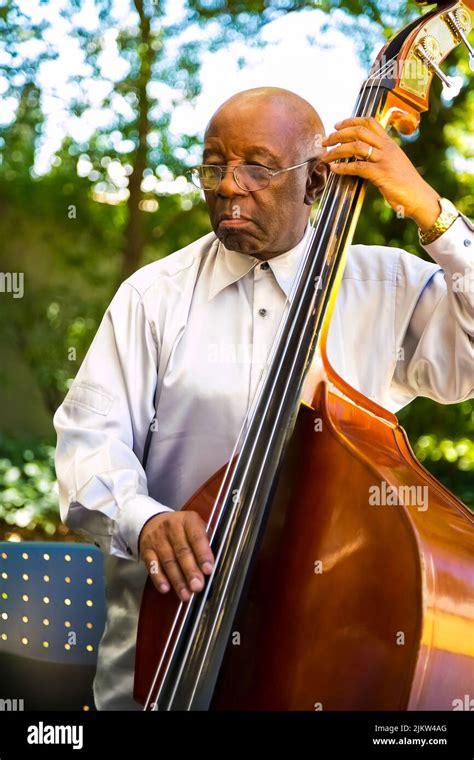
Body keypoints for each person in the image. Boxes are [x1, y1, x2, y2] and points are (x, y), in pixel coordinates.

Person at [53, 87, 473, 710]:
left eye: (257, 165)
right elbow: (89, 443)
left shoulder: (389, 286)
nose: (228, 185)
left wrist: (435, 215)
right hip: (165, 643)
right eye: (214, 164)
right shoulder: (153, 295)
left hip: (318, 647)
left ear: (317, 182)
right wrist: (144, 519)